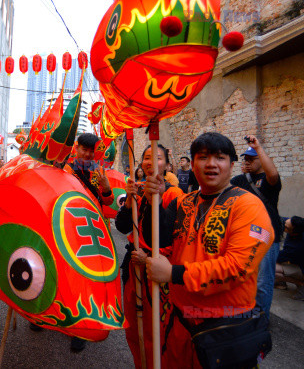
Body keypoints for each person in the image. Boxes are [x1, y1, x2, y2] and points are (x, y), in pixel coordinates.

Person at [145, 132, 273, 368]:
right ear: (192, 164)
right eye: (203, 157)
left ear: (231, 165)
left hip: (226, 329)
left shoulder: (249, 206)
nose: (211, 164)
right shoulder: (185, 202)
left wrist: (174, 274)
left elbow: (238, 268)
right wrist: (151, 200)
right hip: (181, 324)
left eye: (220, 158)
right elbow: (156, 239)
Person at [115, 144, 183, 368]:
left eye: (157, 157)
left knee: (157, 329)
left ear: (166, 164)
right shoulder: (136, 189)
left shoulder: (174, 194)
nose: (151, 161)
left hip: (158, 270)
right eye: (146, 157)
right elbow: (123, 227)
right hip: (133, 264)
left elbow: (164, 237)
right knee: (135, 326)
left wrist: (155, 198)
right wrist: (128, 204)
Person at [64, 133, 114, 352]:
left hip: (94, 231)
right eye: (83, 149)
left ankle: (81, 326)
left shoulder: (99, 171)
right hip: (68, 228)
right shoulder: (63, 169)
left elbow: (109, 201)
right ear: (76, 148)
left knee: (87, 278)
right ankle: (50, 316)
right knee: (65, 272)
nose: (87, 154)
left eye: (91, 150)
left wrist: (105, 187)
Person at [231, 135, 282, 318]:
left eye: (252, 159)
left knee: (263, 281)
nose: (248, 162)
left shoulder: (268, 180)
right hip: (246, 234)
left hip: (267, 234)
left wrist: (258, 148)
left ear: (262, 160)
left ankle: (260, 318)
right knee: (244, 277)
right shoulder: (240, 179)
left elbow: (274, 174)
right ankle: (248, 310)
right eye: (246, 159)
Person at [275, 216, 304, 300]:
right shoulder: (292, 224)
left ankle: (301, 284)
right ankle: (281, 282)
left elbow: (278, 257)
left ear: (294, 232)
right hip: (298, 261)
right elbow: (280, 219)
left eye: (286, 227)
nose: (283, 225)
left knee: (270, 268)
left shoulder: (296, 247)